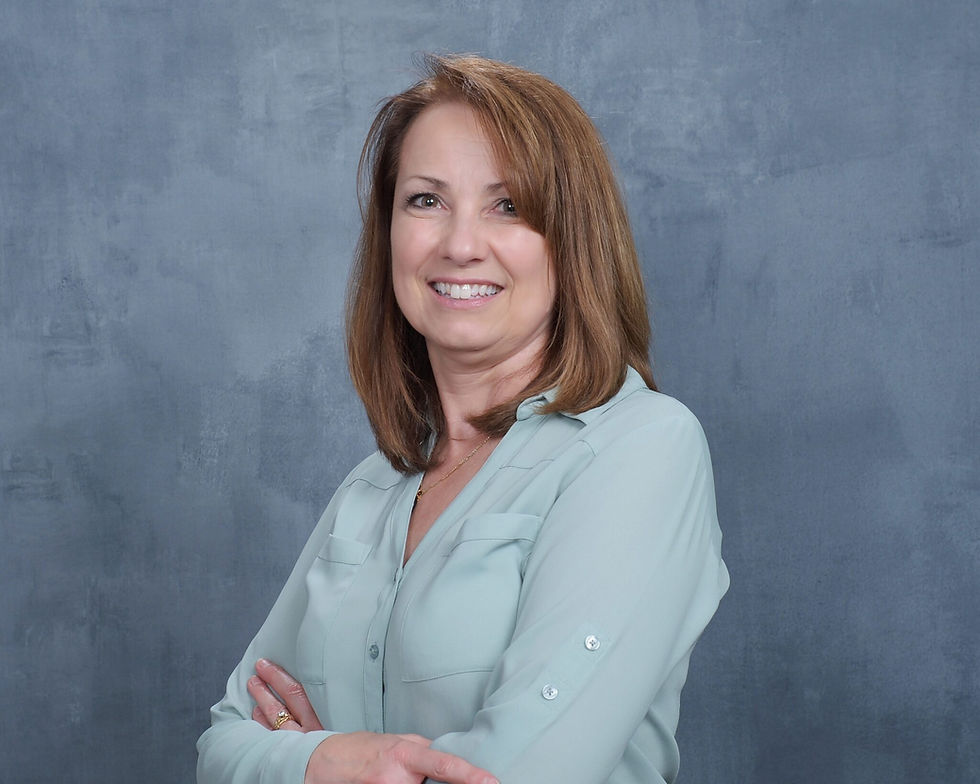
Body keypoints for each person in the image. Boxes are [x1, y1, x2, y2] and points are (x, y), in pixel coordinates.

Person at [197, 54, 729, 784]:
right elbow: (223, 741)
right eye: (425, 201)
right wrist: (327, 760)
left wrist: (293, 762)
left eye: (508, 205)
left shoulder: (640, 450)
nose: (459, 244)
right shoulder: (371, 489)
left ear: (572, 240)